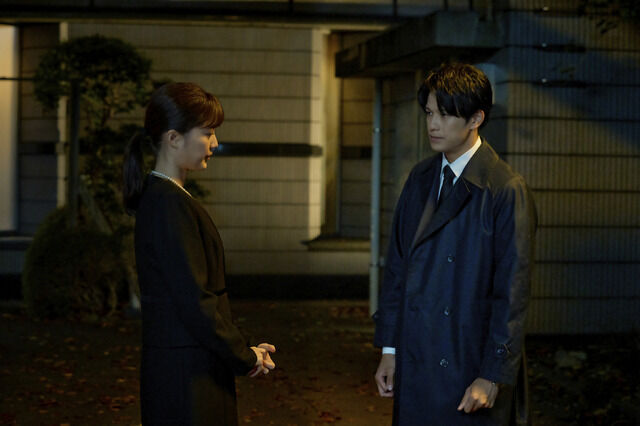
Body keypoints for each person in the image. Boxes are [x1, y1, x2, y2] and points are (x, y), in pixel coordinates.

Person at [373, 63, 537, 425]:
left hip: (468, 363)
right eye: (429, 113)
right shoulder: (420, 177)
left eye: (446, 115)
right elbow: (397, 268)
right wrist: (390, 349)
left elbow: (512, 294)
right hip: (417, 357)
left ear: (476, 118)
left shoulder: (505, 189)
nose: (433, 124)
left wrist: (492, 374)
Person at [123, 82, 276, 425]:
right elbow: (194, 301)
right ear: (173, 138)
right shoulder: (168, 204)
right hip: (188, 376)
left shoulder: (165, 199)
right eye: (207, 133)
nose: (215, 143)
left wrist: (243, 352)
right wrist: (245, 355)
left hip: (187, 368)